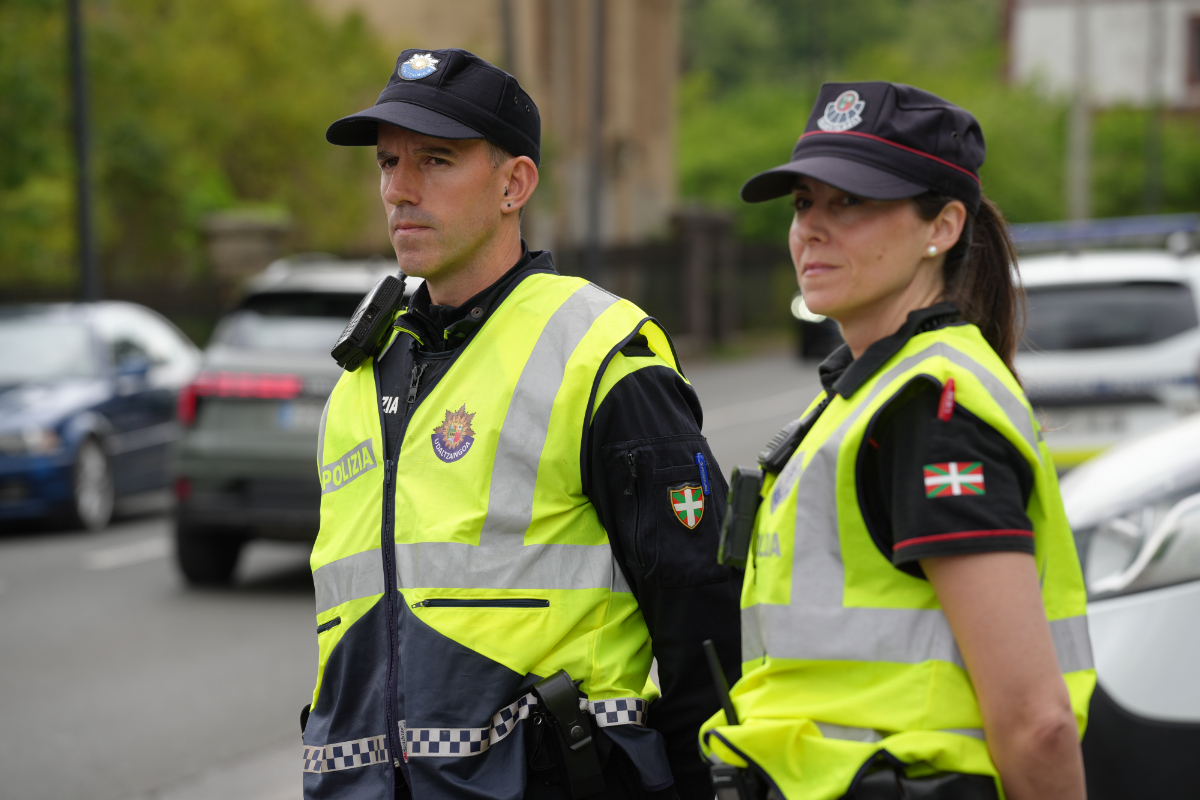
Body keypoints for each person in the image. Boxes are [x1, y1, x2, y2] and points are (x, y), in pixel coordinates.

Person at [300, 48, 742, 800]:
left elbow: (704, 614)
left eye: (435, 161)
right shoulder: (366, 373)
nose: (399, 190)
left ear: (515, 184)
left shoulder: (596, 349)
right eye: (387, 163)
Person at [698, 82, 1095, 800]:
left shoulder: (932, 409)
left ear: (941, 226)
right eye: (803, 203)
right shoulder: (872, 390)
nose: (811, 228)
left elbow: (1037, 721)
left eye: (850, 202)